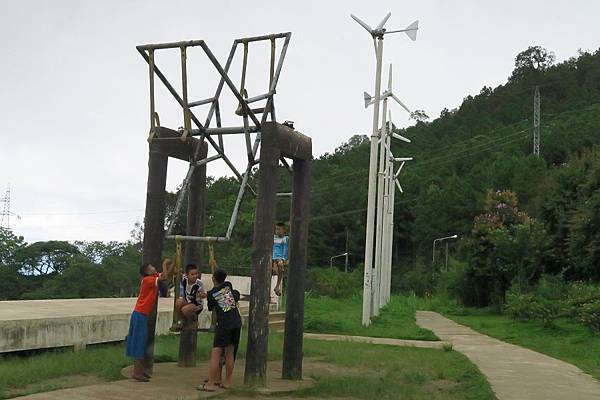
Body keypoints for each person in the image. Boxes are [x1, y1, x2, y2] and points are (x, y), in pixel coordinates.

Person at [125, 259, 175, 382]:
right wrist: (164, 263)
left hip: (141, 314)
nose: (154, 267)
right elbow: (164, 278)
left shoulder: (153, 277)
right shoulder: (148, 280)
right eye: (152, 266)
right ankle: (137, 373)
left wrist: (174, 262)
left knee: (141, 341)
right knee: (139, 342)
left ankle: (140, 370)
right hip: (140, 314)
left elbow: (165, 275)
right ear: (147, 271)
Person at [199, 268, 242, 392]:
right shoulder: (228, 287)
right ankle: (228, 382)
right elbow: (223, 289)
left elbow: (211, 305)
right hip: (236, 323)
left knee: (216, 353)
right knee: (230, 353)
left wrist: (208, 294)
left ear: (213, 279)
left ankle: (210, 383)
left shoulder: (212, 294)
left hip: (224, 325)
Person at [171, 263, 206, 331]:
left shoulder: (199, 283)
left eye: (196, 274)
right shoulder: (184, 279)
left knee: (185, 309)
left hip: (196, 305)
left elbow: (203, 294)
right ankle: (182, 320)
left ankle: (194, 320)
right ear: (187, 275)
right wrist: (175, 262)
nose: (195, 276)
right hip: (187, 302)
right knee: (178, 302)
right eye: (192, 274)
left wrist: (202, 295)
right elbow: (175, 271)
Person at [272, 222, 289, 296]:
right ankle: (276, 286)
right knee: (277, 267)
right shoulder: (273, 237)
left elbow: (286, 250)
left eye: (279, 229)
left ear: (283, 230)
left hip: (279, 258)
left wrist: (283, 259)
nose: (277, 231)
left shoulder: (285, 239)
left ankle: (277, 286)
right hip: (272, 257)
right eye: (276, 229)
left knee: (280, 266)